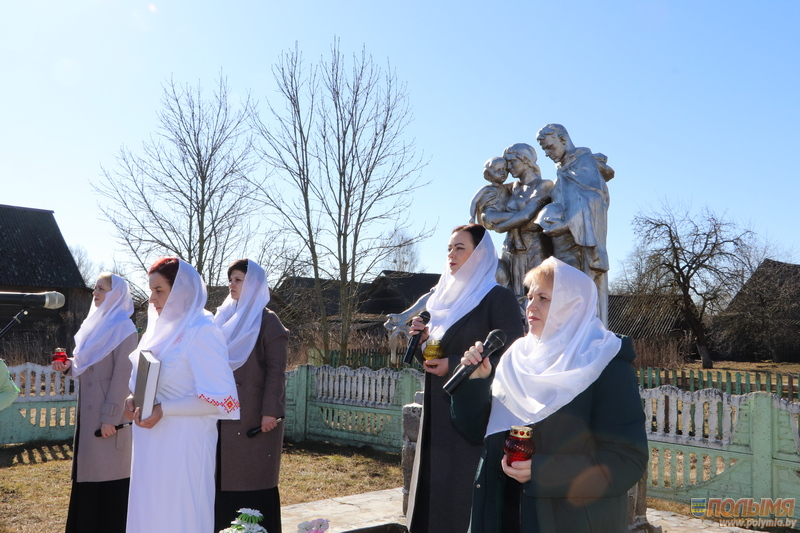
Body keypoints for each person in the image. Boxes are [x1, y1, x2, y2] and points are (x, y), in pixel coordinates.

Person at [452, 257, 648, 533]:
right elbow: (476, 432)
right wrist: (475, 383)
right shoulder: (515, 358)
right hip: (499, 514)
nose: (530, 306)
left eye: (543, 298)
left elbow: (627, 461)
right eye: (529, 296)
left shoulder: (606, 366)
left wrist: (542, 472)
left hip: (570, 521)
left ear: (572, 306)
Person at [406, 224, 524, 533]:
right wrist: (421, 346)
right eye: (448, 249)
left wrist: (456, 365)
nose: (451, 255)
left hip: (472, 419)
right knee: (435, 495)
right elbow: (436, 358)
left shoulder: (496, 298)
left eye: (460, 248)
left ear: (480, 254)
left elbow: (511, 354)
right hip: (437, 414)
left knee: (461, 498)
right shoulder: (441, 301)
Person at [124, 257, 240, 533]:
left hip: (185, 445)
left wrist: (165, 409)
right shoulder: (155, 333)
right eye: (151, 290)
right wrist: (133, 399)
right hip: (149, 443)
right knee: (148, 515)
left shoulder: (203, 330)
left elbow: (224, 400)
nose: (151, 298)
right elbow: (143, 381)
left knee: (177, 518)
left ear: (181, 291)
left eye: (159, 290)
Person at [51, 273, 138, 533]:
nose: (95, 293)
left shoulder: (125, 328)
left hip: (106, 422)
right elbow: (85, 366)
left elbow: (123, 377)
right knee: (89, 483)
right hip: (91, 420)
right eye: (95, 289)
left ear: (116, 294)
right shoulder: (95, 324)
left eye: (101, 289)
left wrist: (111, 417)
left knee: (108, 485)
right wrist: (68, 367)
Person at [214, 259, 289, 533]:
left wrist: (272, 410)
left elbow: (277, 370)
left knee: (251, 485)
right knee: (222, 483)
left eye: (238, 279)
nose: (231, 285)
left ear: (254, 284)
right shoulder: (222, 317)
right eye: (230, 279)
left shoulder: (268, 320)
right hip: (221, 416)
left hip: (254, 420)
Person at [535, 123, 613, 323]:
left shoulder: (583, 164)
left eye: (550, 147)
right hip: (561, 248)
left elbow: (594, 200)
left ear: (563, 139)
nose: (547, 153)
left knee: (580, 301)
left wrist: (566, 224)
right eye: (544, 149)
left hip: (581, 247)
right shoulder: (562, 171)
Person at [478, 143, 553, 306]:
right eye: (507, 163)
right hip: (510, 248)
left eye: (512, 162)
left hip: (534, 247)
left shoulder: (544, 185)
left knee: (534, 292)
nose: (508, 168)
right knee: (509, 295)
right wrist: (505, 220)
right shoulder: (510, 188)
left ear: (526, 160)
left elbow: (527, 215)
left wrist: (502, 225)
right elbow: (487, 217)